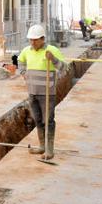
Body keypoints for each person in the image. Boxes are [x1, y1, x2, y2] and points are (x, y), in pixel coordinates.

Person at [18, 24, 66, 160]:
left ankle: (49, 150)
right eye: (30, 40)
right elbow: (20, 61)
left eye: (35, 40)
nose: (32, 42)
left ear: (42, 39)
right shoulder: (27, 51)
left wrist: (54, 60)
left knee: (48, 121)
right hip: (32, 93)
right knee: (38, 120)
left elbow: (64, 68)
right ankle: (42, 146)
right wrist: (23, 72)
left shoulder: (52, 50)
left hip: (47, 94)